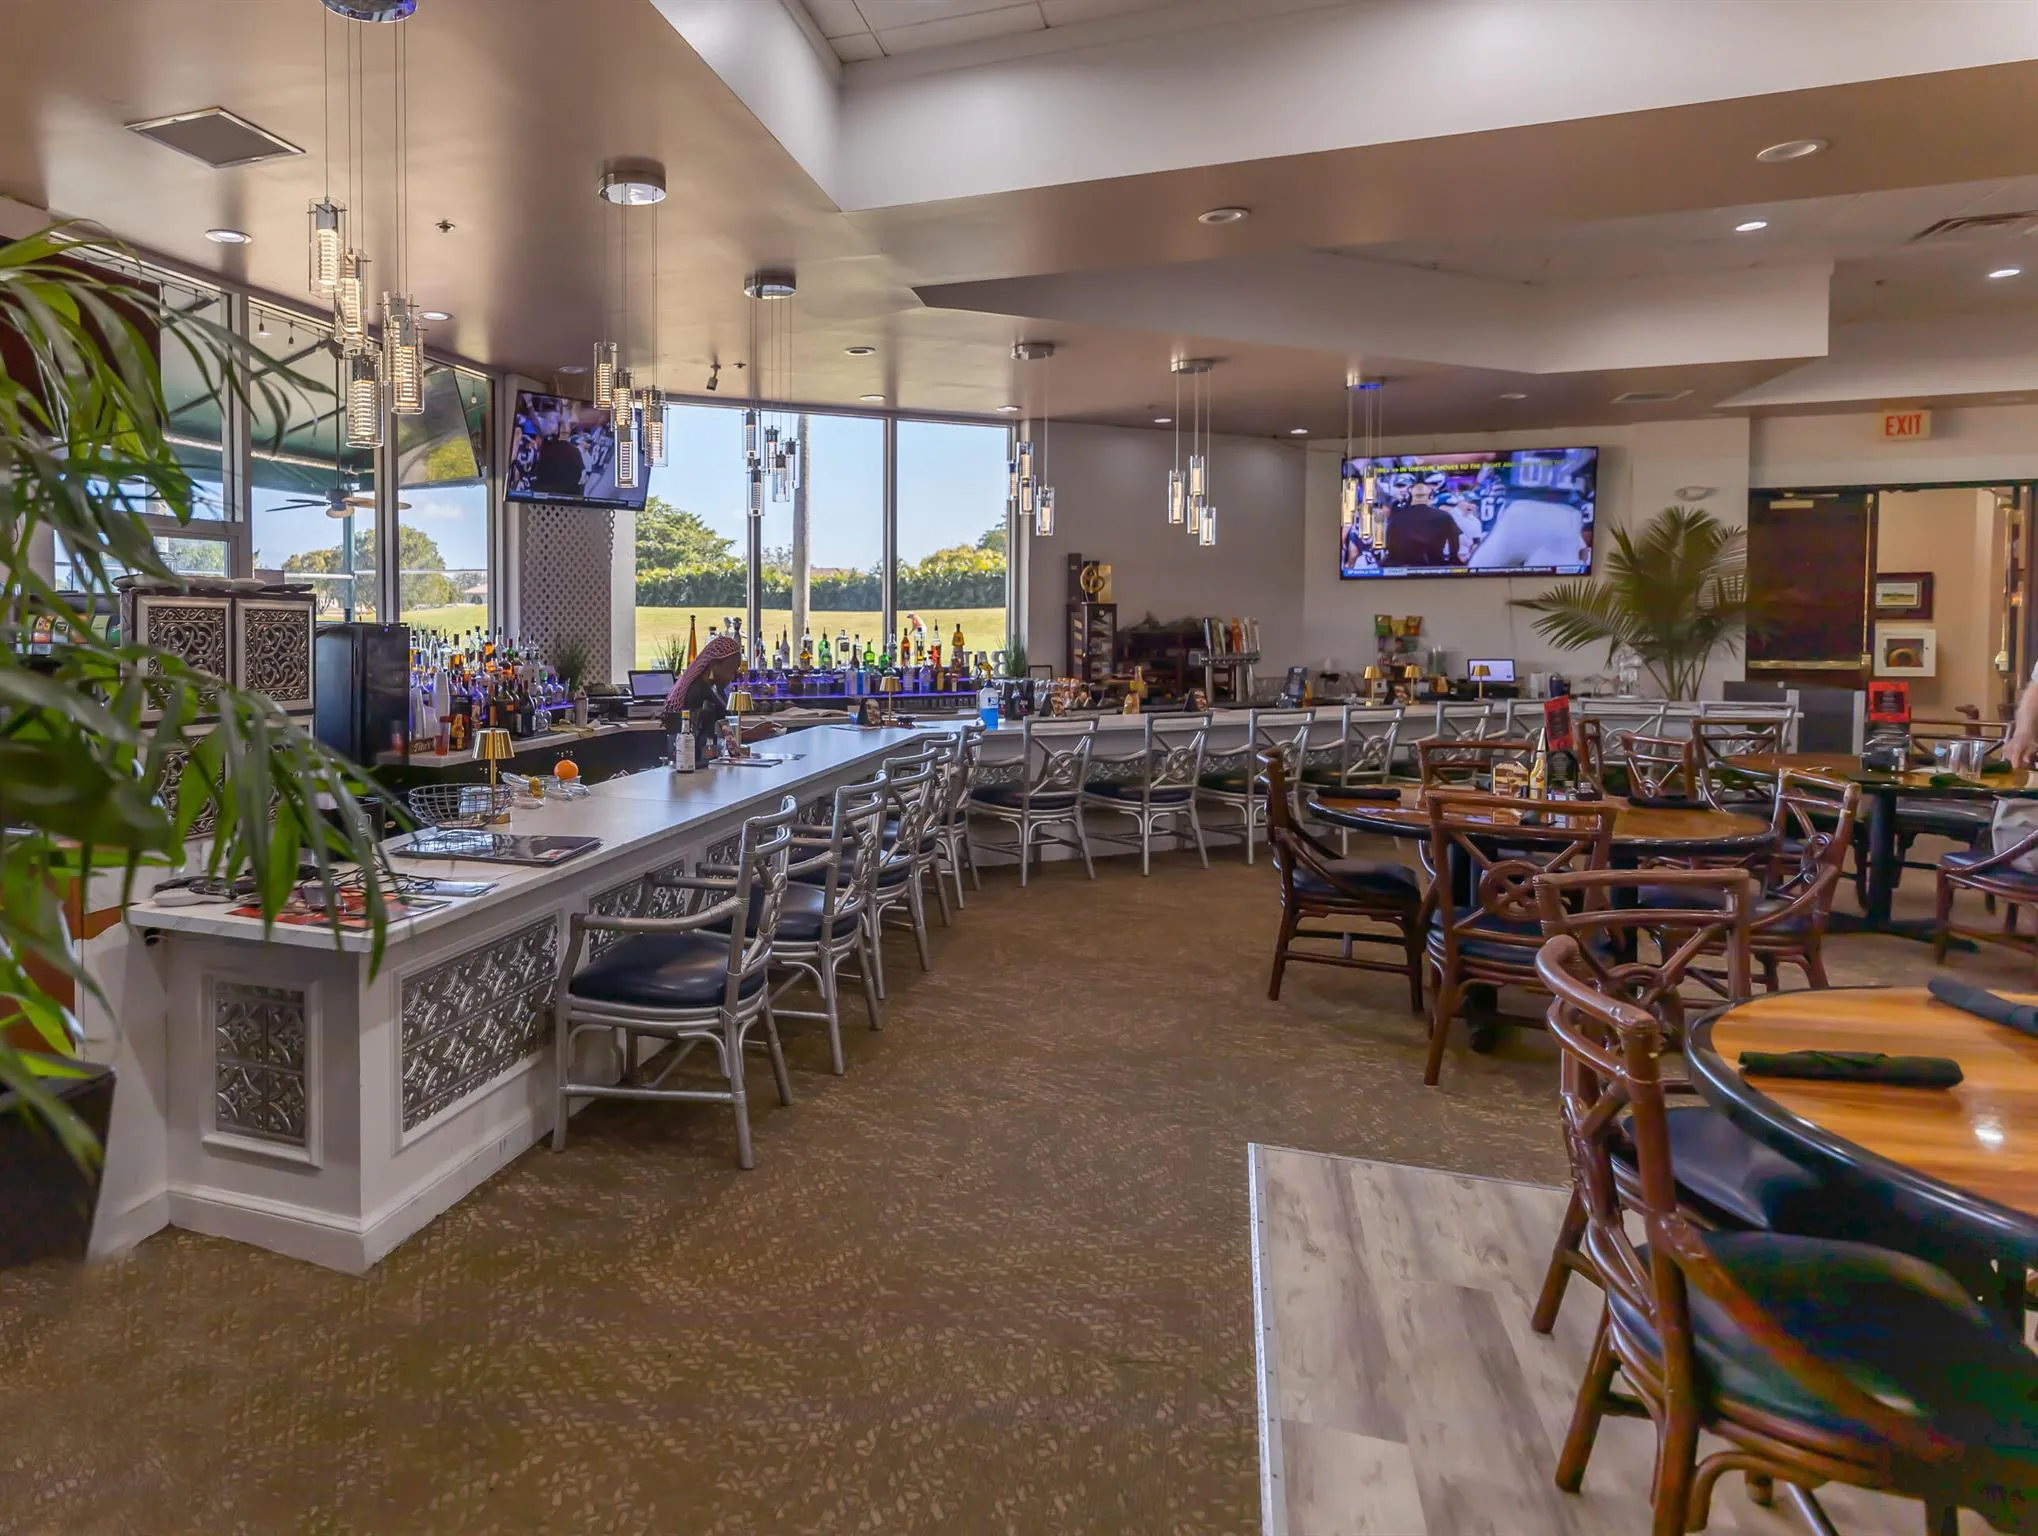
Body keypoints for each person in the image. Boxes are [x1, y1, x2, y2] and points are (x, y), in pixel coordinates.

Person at [660, 635, 773, 767]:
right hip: (695, 768)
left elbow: (723, 727)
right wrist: (751, 734)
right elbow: (701, 737)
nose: (734, 676)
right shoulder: (697, 692)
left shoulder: (714, 688)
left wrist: (753, 730)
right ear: (714, 665)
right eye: (732, 670)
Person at [1382, 477, 1460, 568]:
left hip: (1402, 569)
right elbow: (1454, 541)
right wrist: (1453, 559)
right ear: (1430, 497)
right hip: (1435, 567)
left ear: (1411, 496)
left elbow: (1389, 544)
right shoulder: (1444, 516)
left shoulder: (1397, 517)